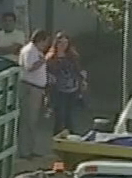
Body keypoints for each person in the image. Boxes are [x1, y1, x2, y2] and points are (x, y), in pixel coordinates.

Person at [17, 30, 53, 158]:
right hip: (30, 88)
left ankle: (30, 148)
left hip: (37, 89)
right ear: (40, 40)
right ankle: (24, 151)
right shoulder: (29, 51)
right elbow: (29, 67)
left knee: (34, 120)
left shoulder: (36, 51)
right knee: (28, 120)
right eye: (45, 42)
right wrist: (43, 61)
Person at [46, 34, 87, 135]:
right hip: (58, 90)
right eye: (60, 42)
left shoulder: (72, 56)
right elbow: (47, 72)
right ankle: (57, 135)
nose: (63, 45)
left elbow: (78, 70)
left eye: (65, 43)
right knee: (60, 115)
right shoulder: (51, 58)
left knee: (70, 115)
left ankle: (70, 135)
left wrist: (83, 79)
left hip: (72, 88)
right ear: (56, 43)